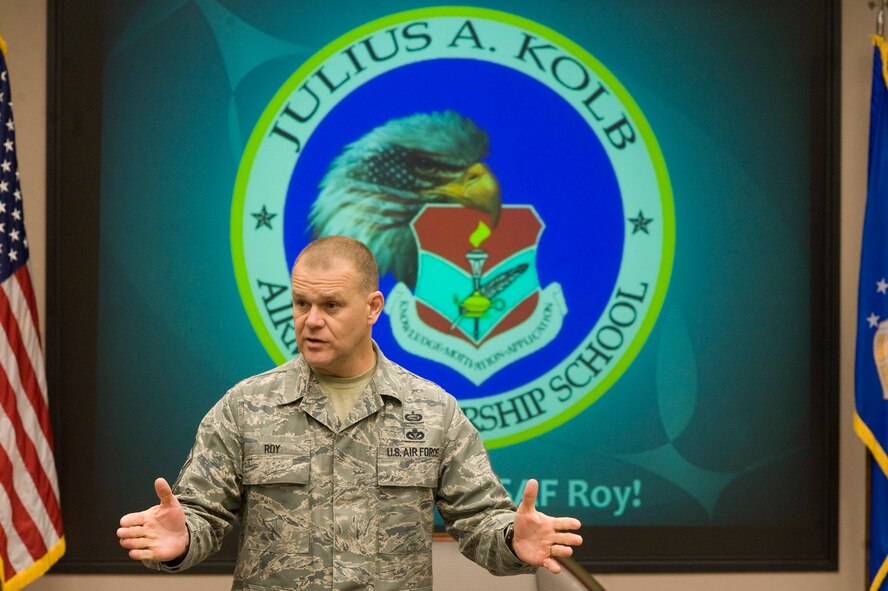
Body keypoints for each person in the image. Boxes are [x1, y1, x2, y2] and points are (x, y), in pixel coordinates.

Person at [117, 235, 583, 590]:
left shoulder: (432, 410)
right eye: (301, 304)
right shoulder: (245, 407)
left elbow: (481, 523)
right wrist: (180, 542)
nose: (311, 320)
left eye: (331, 305)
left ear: (373, 307)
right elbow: (199, 516)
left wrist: (512, 543)